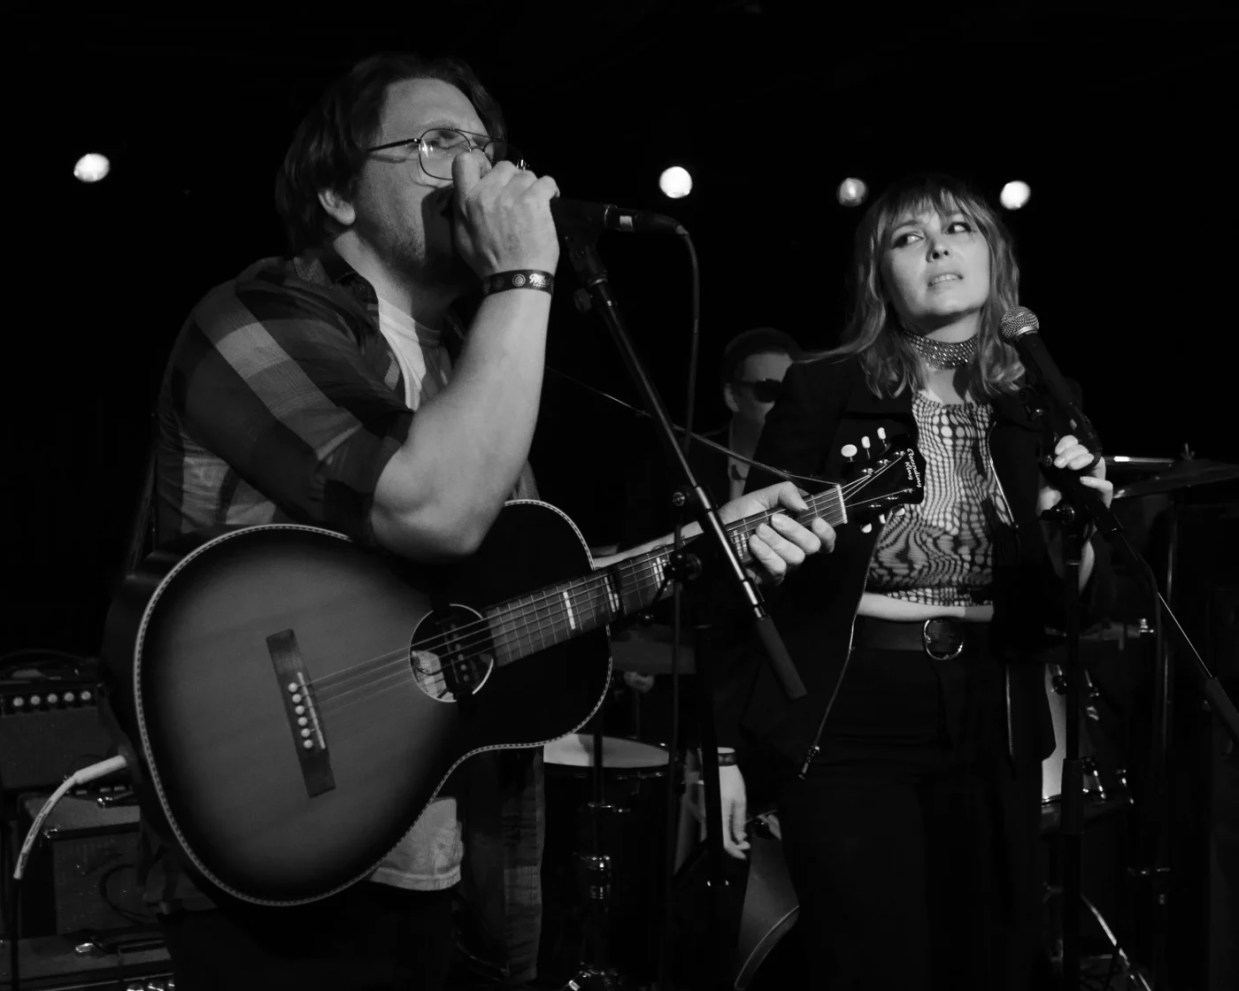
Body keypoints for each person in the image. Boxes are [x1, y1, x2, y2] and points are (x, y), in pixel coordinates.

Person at [132, 51, 832, 990]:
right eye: (436, 144)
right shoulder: (252, 315)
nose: (477, 172)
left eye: (483, 146)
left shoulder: (473, 361)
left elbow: (518, 595)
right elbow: (433, 511)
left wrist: (705, 542)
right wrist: (524, 281)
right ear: (337, 193)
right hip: (277, 850)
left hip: (447, 860)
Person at [731, 172, 1113, 990]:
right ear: (880, 277)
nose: (937, 246)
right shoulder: (824, 386)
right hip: (853, 703)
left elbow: (1072, 603)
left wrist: (1075, 526)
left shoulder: (1041, 401)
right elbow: (754, 563)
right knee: (871, 960)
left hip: (993, 704)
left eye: (958, 229)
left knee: (988, 960)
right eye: (908, 238)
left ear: (995, 257)